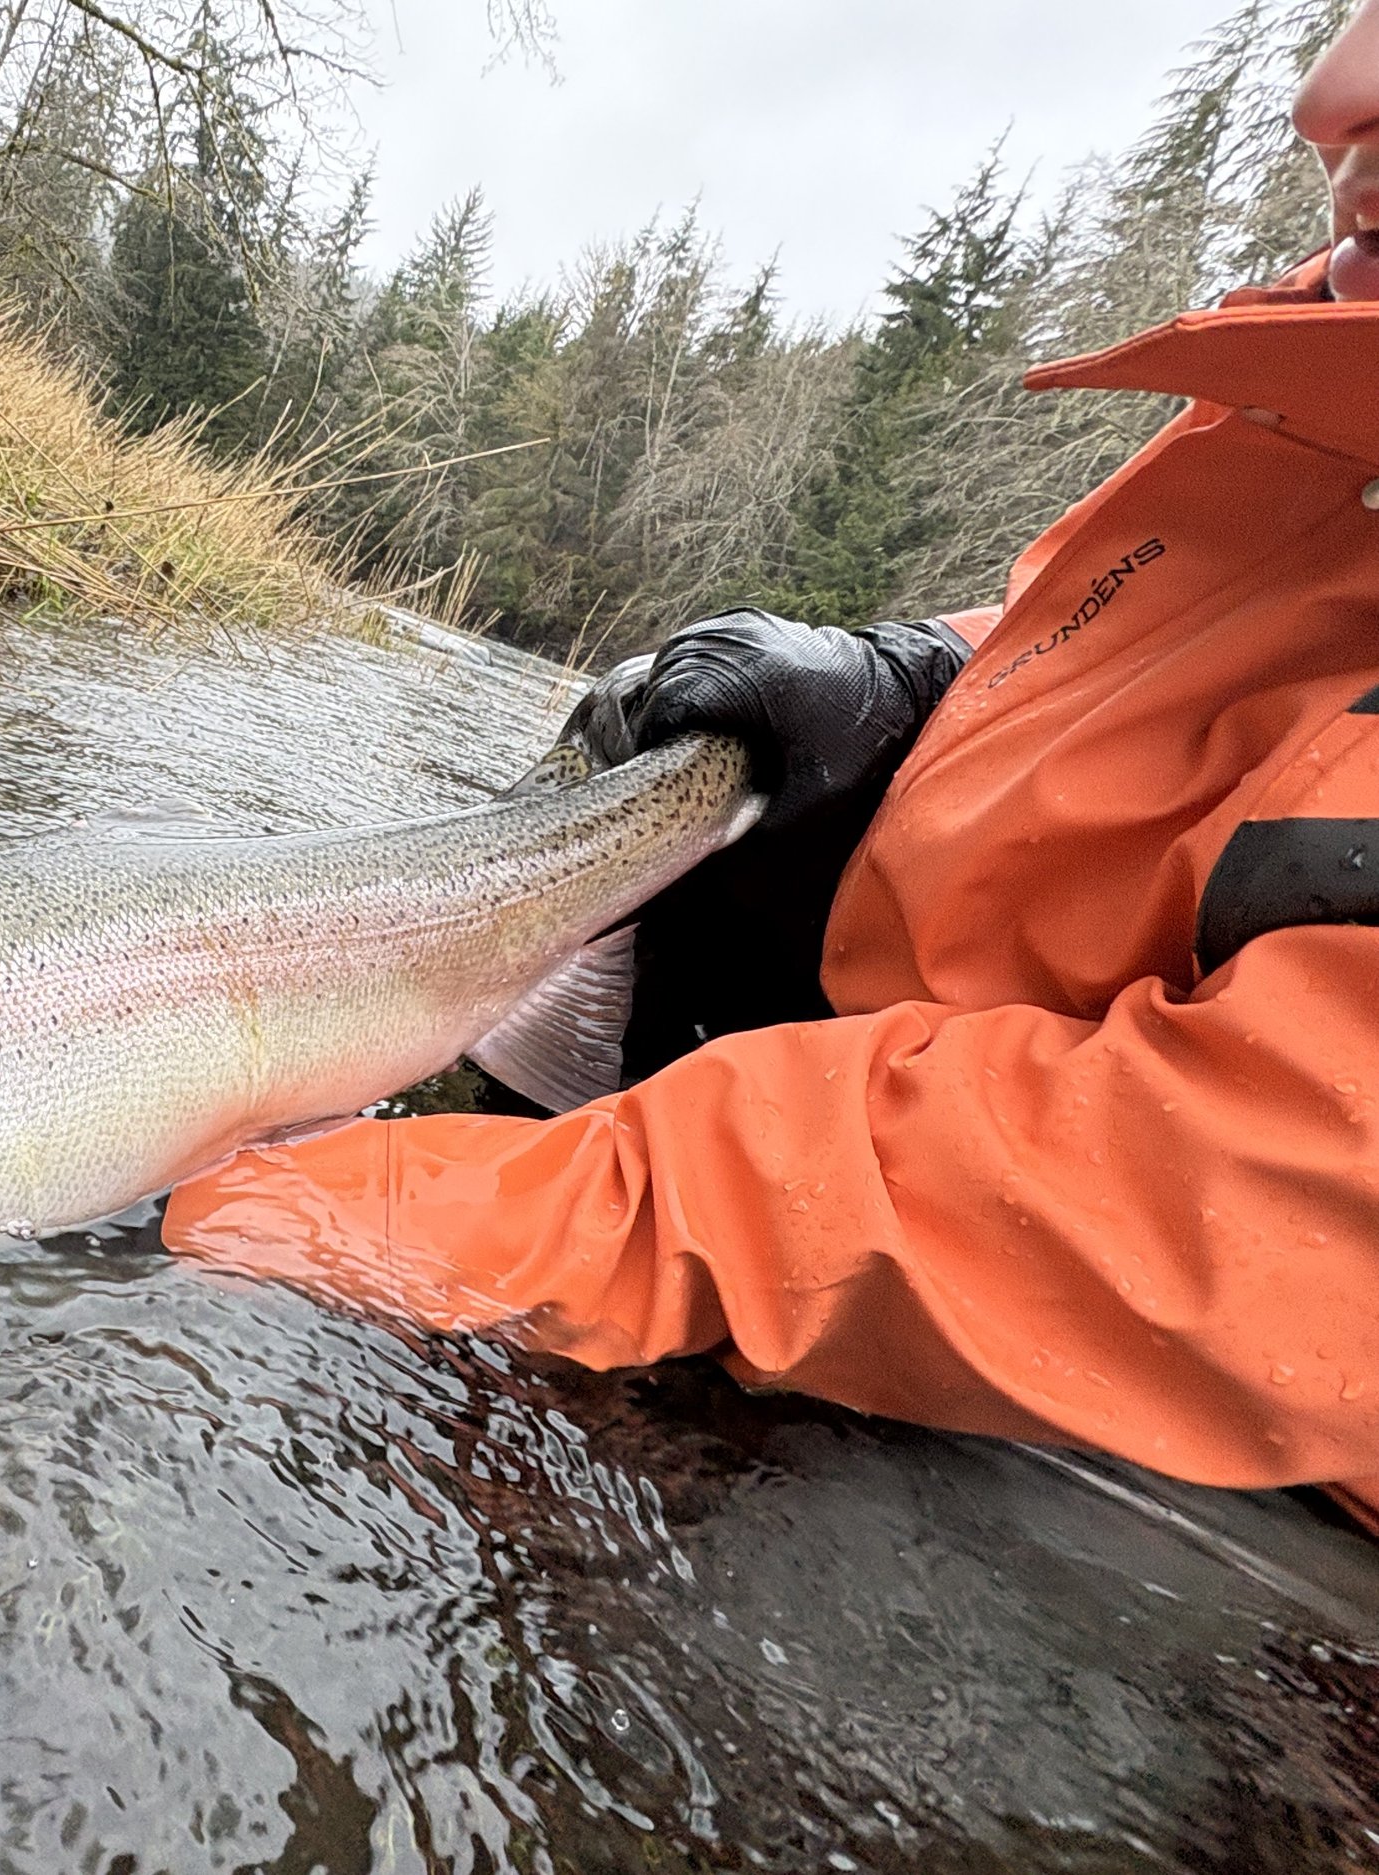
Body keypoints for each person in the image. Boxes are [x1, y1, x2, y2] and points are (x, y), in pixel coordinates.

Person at [164, 1, 1379, 1536]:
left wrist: (589, 1218)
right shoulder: (1324, 385)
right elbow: (1167, 679)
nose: (1331, 90)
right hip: (891, 1187)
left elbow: (1298, 1223)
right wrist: (910, 683)